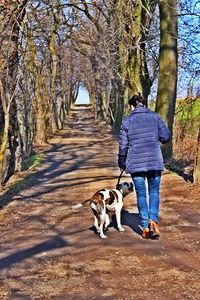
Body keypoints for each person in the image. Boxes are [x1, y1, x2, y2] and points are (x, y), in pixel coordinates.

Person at [118, 93, 171, 239]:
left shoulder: (127, 121)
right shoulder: (156, 117)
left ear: (131, 106)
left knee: (141, 194)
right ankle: (153, 219)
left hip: (136, 163)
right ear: (144, 103)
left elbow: (123, 146)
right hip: (154, 161)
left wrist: (121, 162)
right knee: (154, 192)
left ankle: (145, 227)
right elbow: (166, 137)